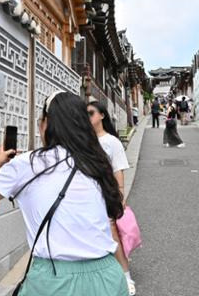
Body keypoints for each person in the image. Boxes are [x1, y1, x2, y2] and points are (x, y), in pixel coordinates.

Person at [0, 92, 128, 296]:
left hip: (54, 281)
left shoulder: (29, 163)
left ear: (47, 124)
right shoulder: (97, 162)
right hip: (108, 276)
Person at [88, 101, 136, 296]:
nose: (87, 117)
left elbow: (118, 170)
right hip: (86, 196)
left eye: (91, 113)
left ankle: (126, 276)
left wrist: (120, 195)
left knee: (113, 235)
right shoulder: (84, 140)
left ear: (102, 116)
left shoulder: (111, 141)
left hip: (105, 195)